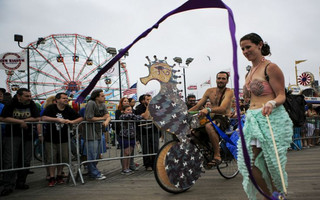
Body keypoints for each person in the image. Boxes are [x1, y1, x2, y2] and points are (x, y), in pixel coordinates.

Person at [237, 33, 293, 200]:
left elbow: (281, 95)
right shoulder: (249, 71)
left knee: (272, 164)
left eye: (248, 47)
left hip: (270, 119)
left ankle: (277, 196)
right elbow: (249, 98)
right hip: (252, 119)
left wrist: (271, 103)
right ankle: (268, 196)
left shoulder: (271, 67)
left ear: (259, 45)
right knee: (248, 163)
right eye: (242, 49)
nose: (245, 51)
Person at [0, 88, 40, 196]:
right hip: (12, 136)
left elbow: (37, 118)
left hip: (27, 136)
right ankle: (8, 185)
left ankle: (21, 182)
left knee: (26, 160)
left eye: (30, 96)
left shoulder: (31, 103)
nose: (29, 98)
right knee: (10, 161)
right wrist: (19, 121)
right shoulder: (11, 103)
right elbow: (3, 118)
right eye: (27, 96)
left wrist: (24, 121)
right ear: (19, 96)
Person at [189, 71, 233, 166]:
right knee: (193, 133)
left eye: (223, 79)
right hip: (210, 117)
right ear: (216, 79)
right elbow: (197, 106)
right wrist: (185, 114)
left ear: (227, 81)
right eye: (219, 78)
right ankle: (207, 151)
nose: (220, 80)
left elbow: (223, 108)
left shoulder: (229, 92)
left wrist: (208, 109)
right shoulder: (209, 91)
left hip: (223, 118)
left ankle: (217, 156)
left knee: (209, 126)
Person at [42, 93, 83, 187]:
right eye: (64, 98)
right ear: (57, 100)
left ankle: (59, 175)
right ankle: (52, 177)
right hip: (51, 138)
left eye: (67, 98)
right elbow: (43, 117)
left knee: (63, 158)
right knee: (51, 158)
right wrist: (57, 120)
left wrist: (72, 122)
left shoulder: (68, 109)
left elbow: (80, 118)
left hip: (64, 138)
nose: (66, 99)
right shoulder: (51, 108)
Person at [83, 89, 110, 180]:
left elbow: (108, 115)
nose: (104, 97)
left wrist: (106, 121)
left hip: (99, 131)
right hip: (91, 132)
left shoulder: (103, 104)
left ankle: (92, 171)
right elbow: (89, 117)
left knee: (98, 154)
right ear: (96, 97)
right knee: (92, 154)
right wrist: (102, 118)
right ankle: (94, 173)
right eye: (102, 96)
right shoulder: (91, 103)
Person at [135, 94, 159, 171]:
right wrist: (148, 107)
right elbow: (145, 116)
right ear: (143, 100)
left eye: (150, 99)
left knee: (155, 147)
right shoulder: (139, 108)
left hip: (154, 130)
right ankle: (147, 164)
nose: (150, 101)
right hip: (143, 132)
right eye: (147, 99)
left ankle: (155, 164)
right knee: (146, 148)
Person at [118, 105, 142, 175]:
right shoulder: (122, 116)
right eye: (128, 110)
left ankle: (128, 167)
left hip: (132, 137)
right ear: (123, 111)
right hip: (124, 137)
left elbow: (139, 117)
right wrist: (137, 116)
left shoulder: (132, 116)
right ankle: (124, 168)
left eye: (131, 110)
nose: (130, 111)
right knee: (126, 153)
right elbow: (134, 117)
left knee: (129, 153)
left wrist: (140, 116)